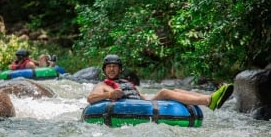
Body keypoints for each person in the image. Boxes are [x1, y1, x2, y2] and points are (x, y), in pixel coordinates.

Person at [87, 54, 234, 111]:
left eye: (115, 67)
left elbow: (139, 96)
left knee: (176, 91)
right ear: (104, 70)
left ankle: (213, 96)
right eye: (109, 67)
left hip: (142, 102)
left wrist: (147, 98)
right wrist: (110, 94)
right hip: (129, 107)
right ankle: (209, 101)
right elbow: (91, 98)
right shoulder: (103, 85)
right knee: (164, 91)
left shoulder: (125, 82)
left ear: (120, 69)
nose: (112, 69)